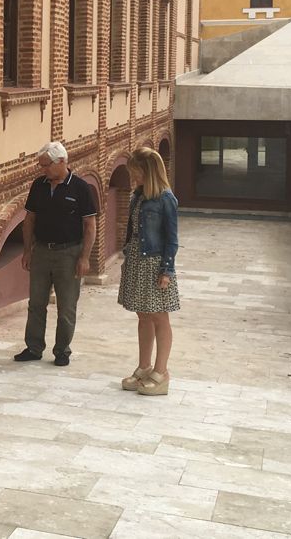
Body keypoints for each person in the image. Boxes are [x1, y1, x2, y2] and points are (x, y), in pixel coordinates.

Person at [13, 142, 97, 366]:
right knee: (36, 303)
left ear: (61, 162)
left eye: (46, 165)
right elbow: (30, 219)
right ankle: (33, 347)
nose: (43, 170)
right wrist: (27, 250)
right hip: (41, 251)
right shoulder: (38, 185)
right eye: (40, 166)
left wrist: (84, 257)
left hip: (69, 253)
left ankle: (62, 350)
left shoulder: (79, 188)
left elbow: (89, 224)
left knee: (66, 306)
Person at [117, 147, 180, 396]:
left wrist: (166, 271)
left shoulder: (165, 199)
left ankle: (161, 371)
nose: (134, 178)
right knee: (142, 315)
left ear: (149, 171)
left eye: (137, 173)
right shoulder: (138, 196)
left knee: (159, 317)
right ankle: (144, 367)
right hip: (136, 261)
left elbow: (171, 239)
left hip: (154, 264)